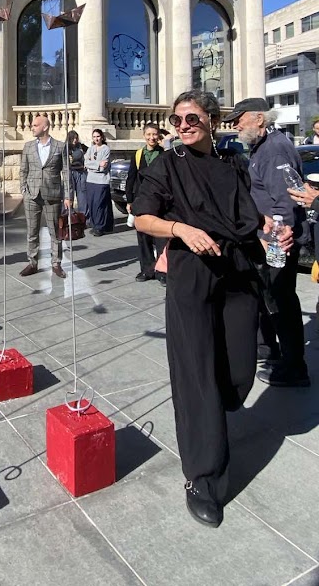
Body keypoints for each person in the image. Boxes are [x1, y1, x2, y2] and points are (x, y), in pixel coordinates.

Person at [132, 89, 292, 528]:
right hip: (191, 278)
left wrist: (272, 233)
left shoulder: (233, 164)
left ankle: (213, 420)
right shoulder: (167, 165)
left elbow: (250, 217)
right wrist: (181, 229)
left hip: (238, 273)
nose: (182, 126)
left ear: (212, 121)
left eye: (191, 118)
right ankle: (202, 477)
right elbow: (141, 217)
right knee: (196, 375)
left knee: (237, 373)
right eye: (176, 120)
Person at [226, 97, 310, 387]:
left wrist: (272, 241)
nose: (235, 125)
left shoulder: (274, 149)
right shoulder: (264, 146)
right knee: (273, 298)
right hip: (272, 237)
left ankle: (294, 367)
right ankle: (276, 353)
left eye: (240, 119)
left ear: (259, 119)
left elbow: (284, 202)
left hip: (279, 239)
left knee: (281, 300)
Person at [19, 113, 70, 278]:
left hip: (52, 195)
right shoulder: (28, 147)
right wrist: (23, 190)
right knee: (31, 231)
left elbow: (67, 172)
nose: (31, 127)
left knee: (55, 232)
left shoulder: (60, 147)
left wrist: (68, 196)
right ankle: (32, 263)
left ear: (45, 127)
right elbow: (23, 170)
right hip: (32, 195)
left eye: (35, 125)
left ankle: (56, 264)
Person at [125, 123, 165, 282]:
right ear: (144, 136)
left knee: (161, 238)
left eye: (154, 134)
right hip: (141, 201)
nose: (151, 138)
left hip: (160, 201)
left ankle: (163, 272)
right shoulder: (138, 154)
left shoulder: (165, 155)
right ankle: (147, 270)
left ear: (159, 136)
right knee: (143, 237)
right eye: (148, 134)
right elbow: (131, 178)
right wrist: (129, 200)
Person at [84, 128, 113, 236]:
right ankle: (95, 224)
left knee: (99, 203)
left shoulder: (106, 149)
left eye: (98, 136)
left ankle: (100, 227)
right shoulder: (91, 149)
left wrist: (93, 165)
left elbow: (104, 166)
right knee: (91, 203)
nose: (96, 138)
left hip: (101, 181)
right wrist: (97, 164)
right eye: (94, 137)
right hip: (90, 180)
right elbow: (86, 162)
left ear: (102, 137)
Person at [66, 130, 88, 217]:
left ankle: (84, 217)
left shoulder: (81, 147)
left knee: (82, 195)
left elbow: (91, 151)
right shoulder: (66, 148)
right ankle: (69, 216)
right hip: (70, 172)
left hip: (81, 172)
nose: (75, 140)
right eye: (73, 138)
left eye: (76, 138)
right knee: (69, 195)